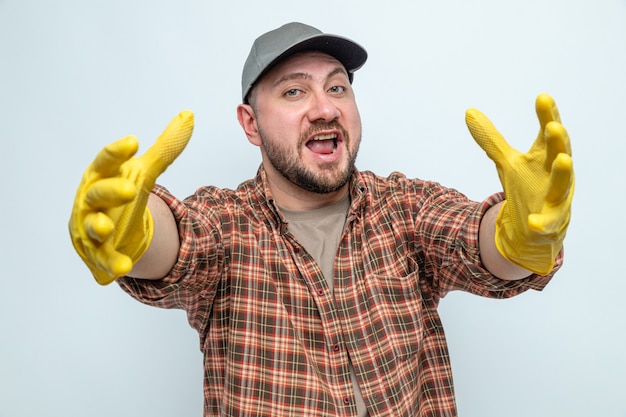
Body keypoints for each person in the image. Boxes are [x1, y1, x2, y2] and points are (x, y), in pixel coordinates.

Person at [69, 22, 574, 417]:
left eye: (337, 88)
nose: (324, 109)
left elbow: (474, 240)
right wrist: (135, 229)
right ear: (251, 124)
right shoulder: (227, 224)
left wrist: (520, 233)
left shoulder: (403, 207)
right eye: (294, 92)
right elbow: (178, 242)